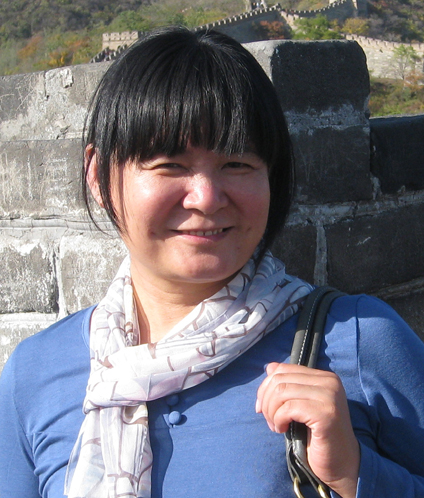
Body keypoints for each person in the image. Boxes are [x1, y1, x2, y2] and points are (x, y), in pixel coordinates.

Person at [0, 27, 424, 498]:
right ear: (98, 175)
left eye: (237, 164)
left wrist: (353, 474)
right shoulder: (34, 374)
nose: (205, 198)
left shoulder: (360, 341)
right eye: (170, 165)